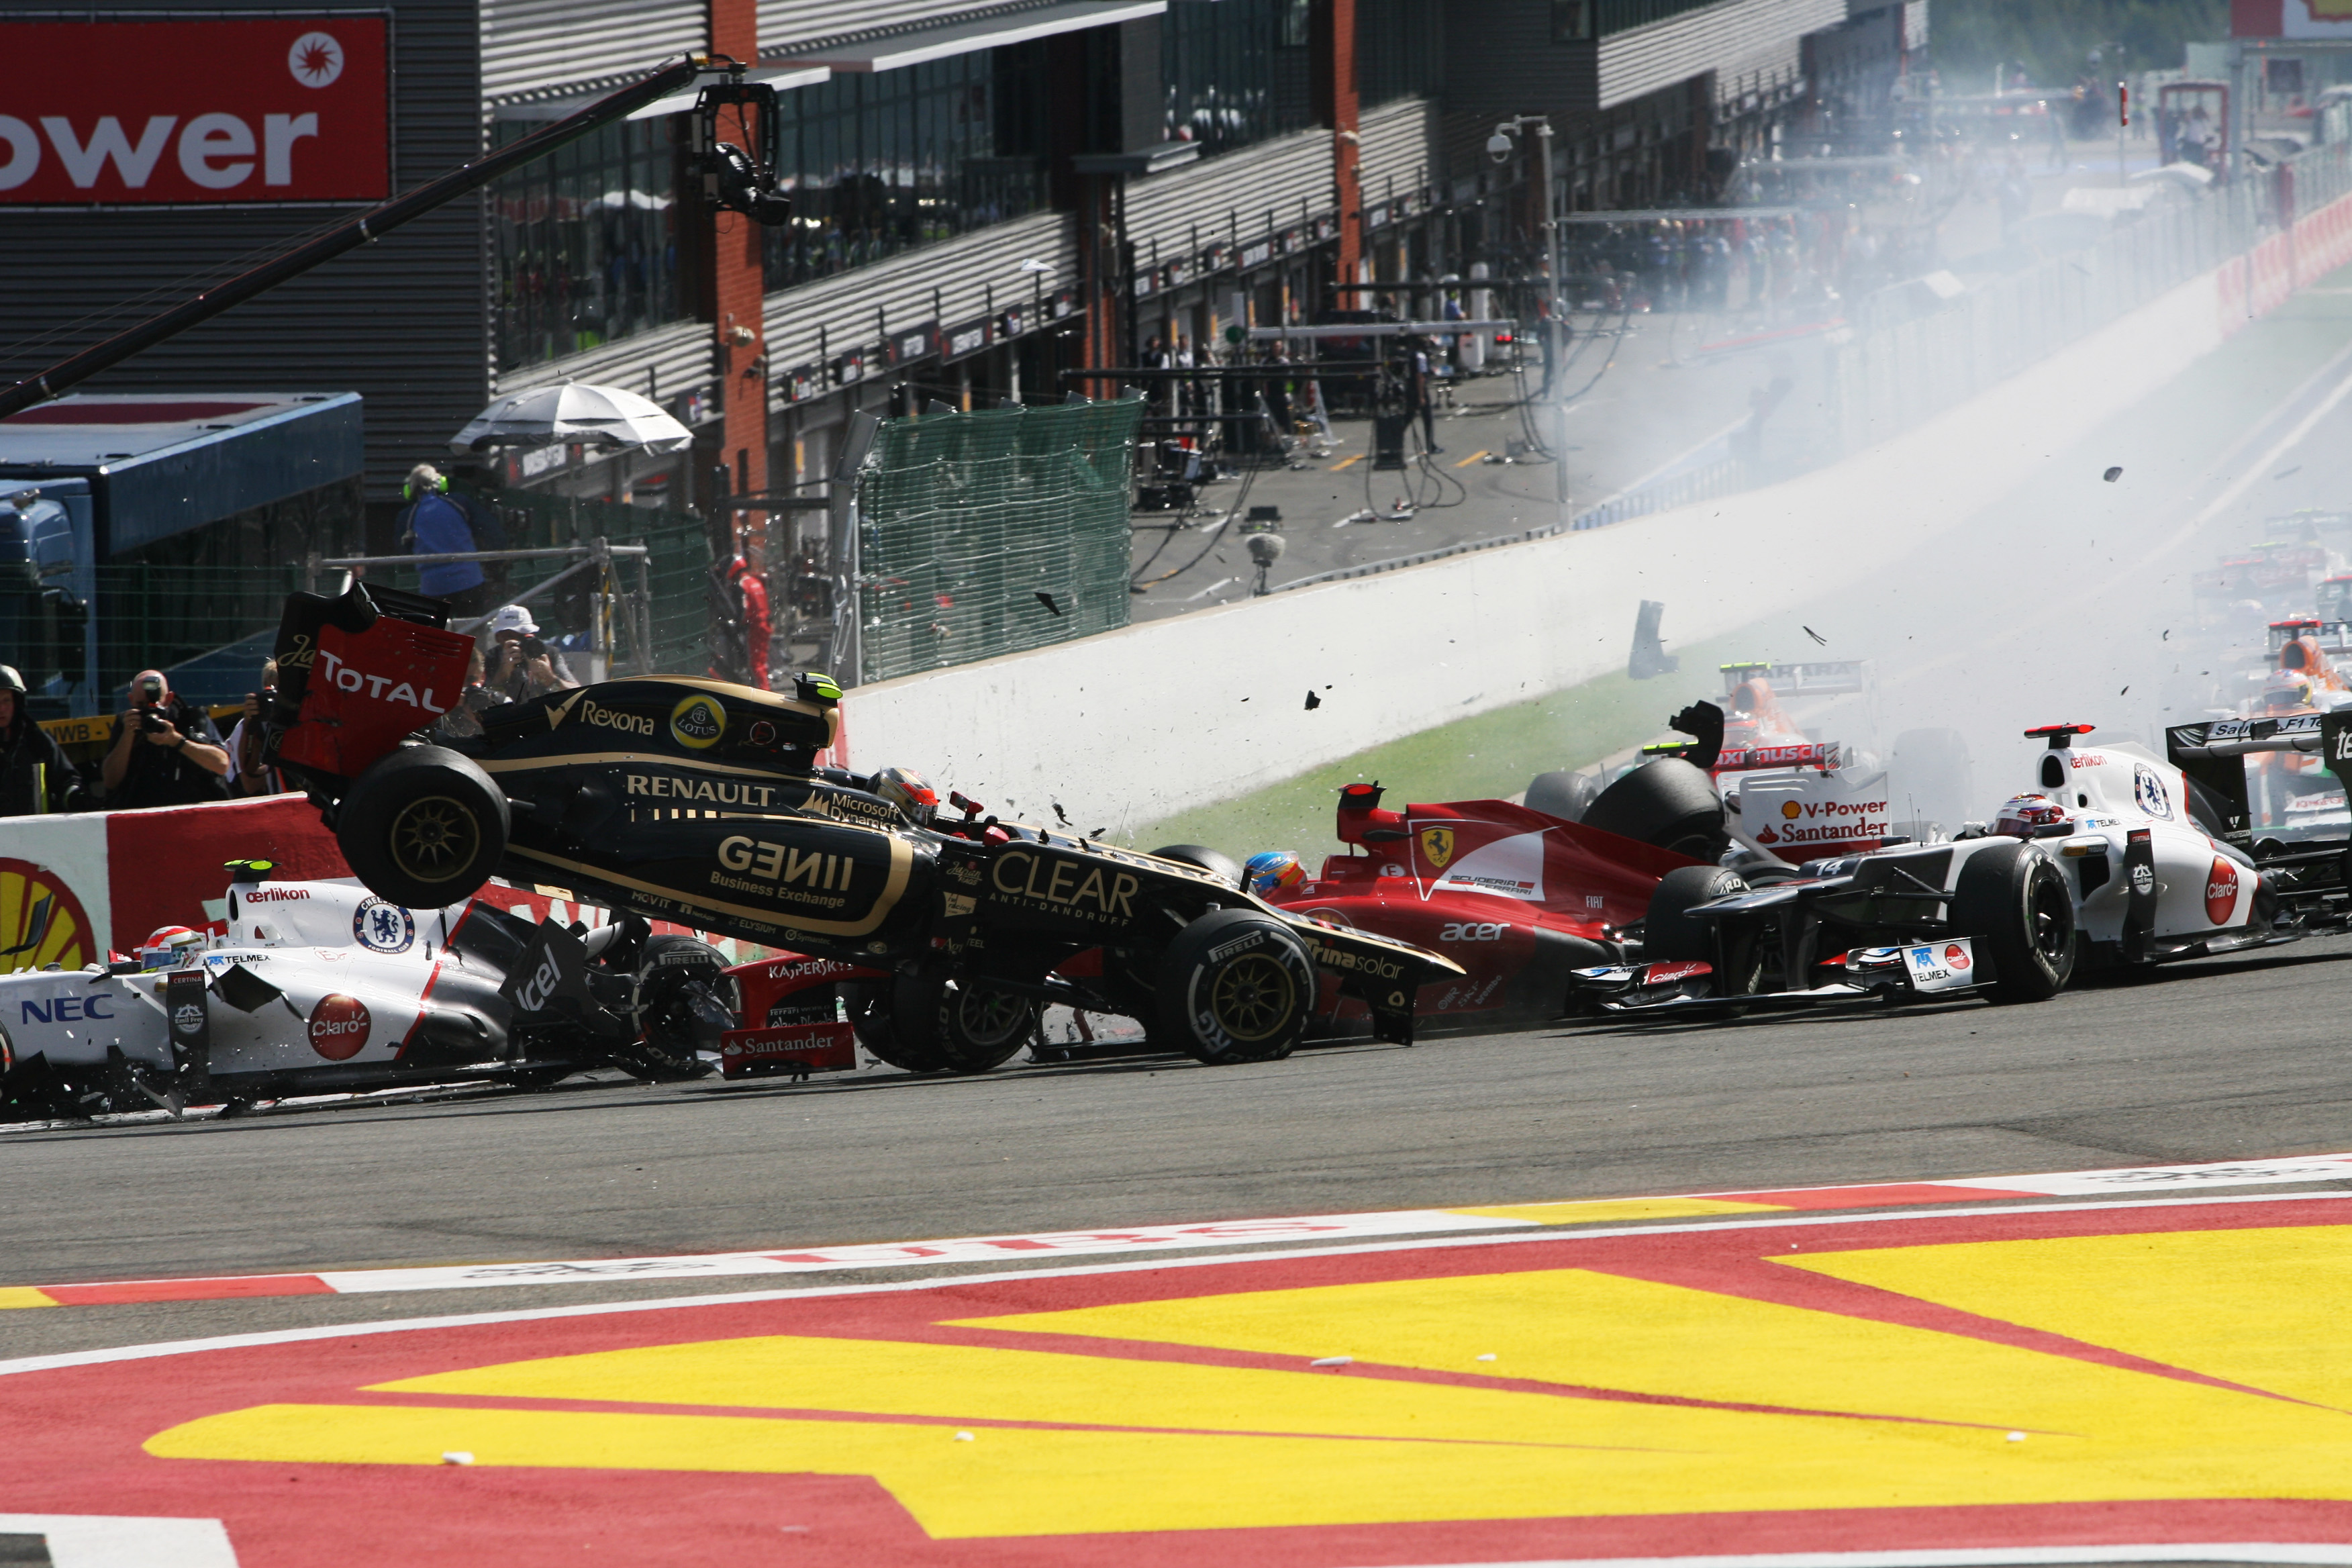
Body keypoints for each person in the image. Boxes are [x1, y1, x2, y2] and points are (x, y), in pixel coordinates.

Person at [101, 668, 229, 809]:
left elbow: (222, 765)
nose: (149, 712)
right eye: (141, 705)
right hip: (141, 812)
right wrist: (128, 735)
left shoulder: (190, 719)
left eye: (155, 706)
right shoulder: (126, 723)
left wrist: (178, 741)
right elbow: (110, 781)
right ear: (131, 700)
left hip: (189, 809)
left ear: (169, 699)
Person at [397, 463, 489, 616]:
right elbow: (487, 529)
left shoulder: (407, 516)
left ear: (410, 489)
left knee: (440, 637)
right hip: (470, 581)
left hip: (433, 588)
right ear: (439, 483)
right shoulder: (459, 503)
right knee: (474, 631)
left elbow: (403, 550)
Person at [0, 665, 78, 816]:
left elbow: (66, 781)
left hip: (35, 834)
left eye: (6, 700)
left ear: (18, 703)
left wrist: (76, 796)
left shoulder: (37, 743)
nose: (1, 708)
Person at [482, 604, 577, 702]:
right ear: (498, 638)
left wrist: (550, 679)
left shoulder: (548, 653)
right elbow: (484, 703)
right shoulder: (491, 658)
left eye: (523, 636)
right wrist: (503, 673)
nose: (519, 643)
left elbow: (579, 695)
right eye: (509, 637)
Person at [222, 658, 285, 797]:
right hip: (273, 805)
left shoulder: (306, 720)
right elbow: (250, 785)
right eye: (271, 693)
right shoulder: (248, 725)